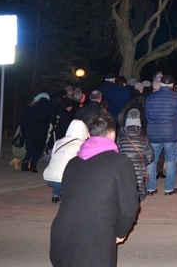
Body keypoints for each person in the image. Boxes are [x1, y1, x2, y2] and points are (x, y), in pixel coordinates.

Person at [49, 112, 139, 267]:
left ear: (89, 135)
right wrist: (120, 231)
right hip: (93, 239)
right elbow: (129, 206)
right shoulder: (120, 163)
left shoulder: (73, 162)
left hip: (62, 234)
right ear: (113, 134)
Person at [145, 74, 177, 196]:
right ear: (172, 85)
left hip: (154, 132)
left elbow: (147, 115)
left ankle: (151, 188)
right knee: (171, 160)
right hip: (171, 132)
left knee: (152, 160)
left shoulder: (150, 97)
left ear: (161, 84)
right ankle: (169, 188)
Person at [43, 119, 89, 203]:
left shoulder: (58, 142)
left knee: (59, 168)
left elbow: (53, 156)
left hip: (48, 177)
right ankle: (68, 195)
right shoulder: (82, 145)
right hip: (64, 180)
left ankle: (55, 195)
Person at [117, 108, 155, 201]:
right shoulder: (143, 138)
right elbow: (150, 156)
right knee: (140, 193)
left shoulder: (120, 137)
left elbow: (116, 152)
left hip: (123, 167)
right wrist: (142, 163)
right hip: (139, 170)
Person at [20, 93, 55, 173]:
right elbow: (51, 118)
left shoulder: (31, 106)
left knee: (30, 147)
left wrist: (24, 131)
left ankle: (25, 163)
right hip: (41, 131)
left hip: (29, 131)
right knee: (38, 148)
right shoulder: (48, 106)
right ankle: (33, 164)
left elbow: (23, 119)